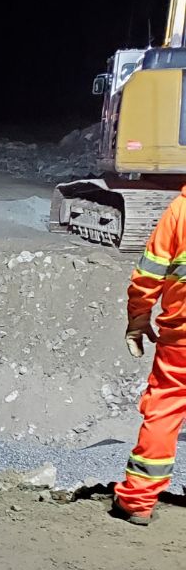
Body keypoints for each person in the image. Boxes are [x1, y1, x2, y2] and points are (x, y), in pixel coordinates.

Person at [112, 186, 186, 525]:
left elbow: (149, 274)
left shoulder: (180, 212)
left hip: (182, 337)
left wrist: (139, 317)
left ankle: (138, 500)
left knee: (166, 407)